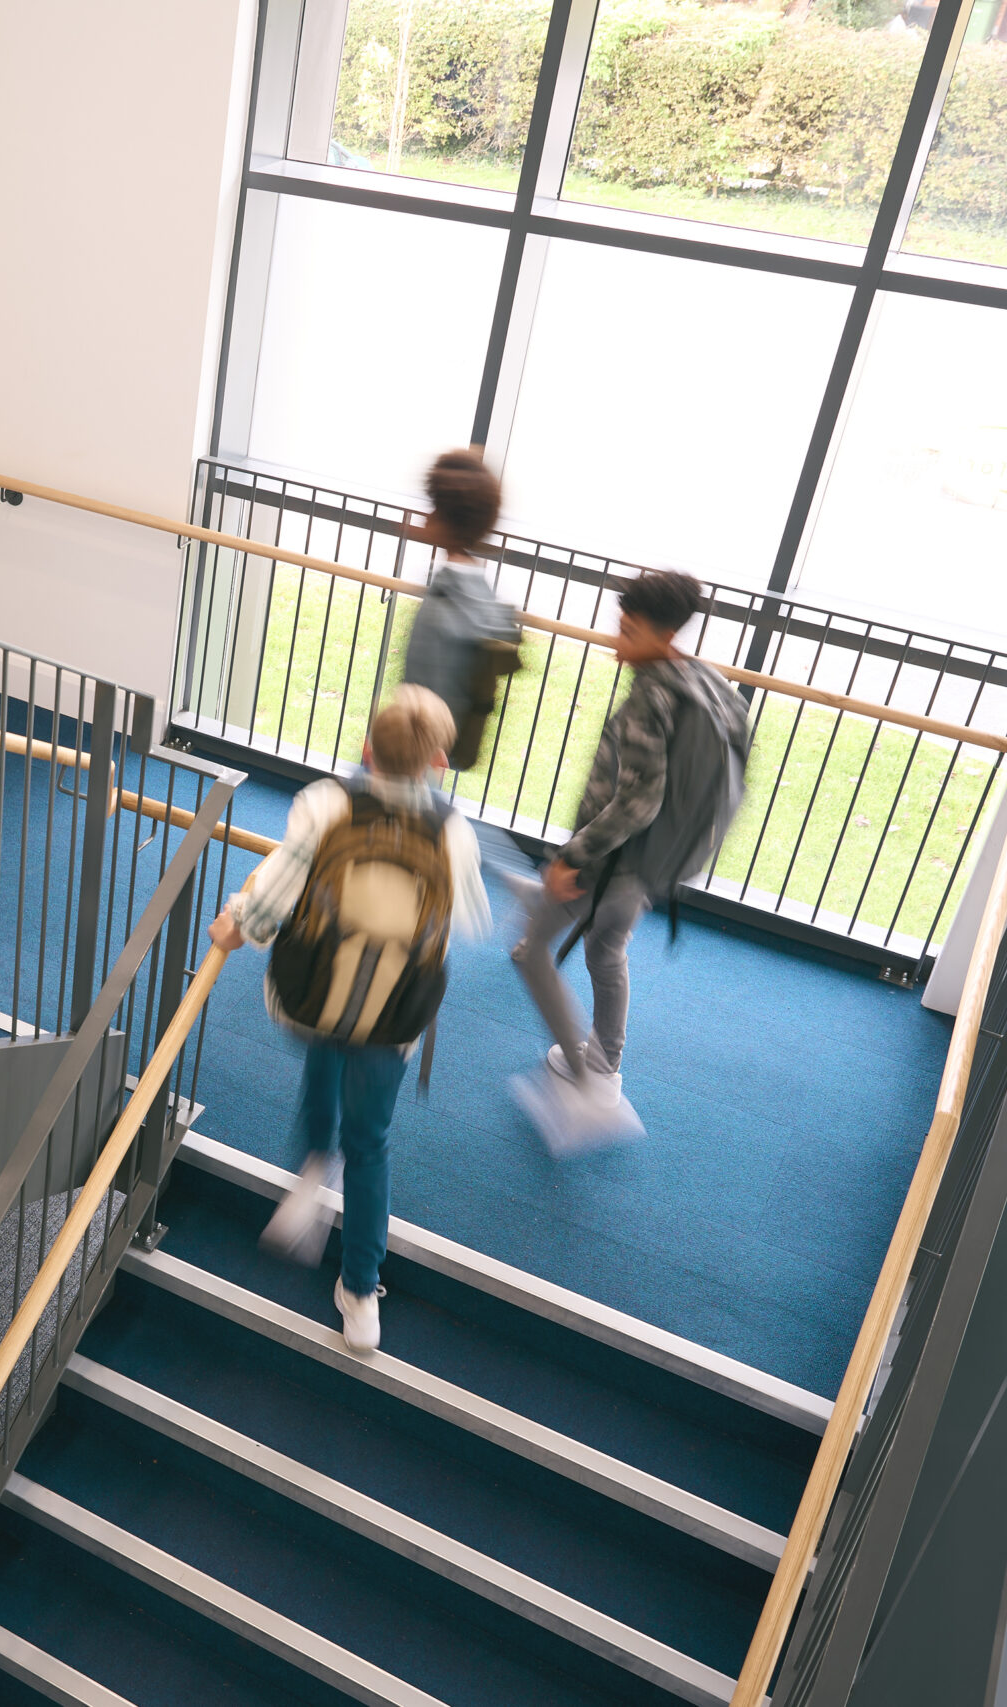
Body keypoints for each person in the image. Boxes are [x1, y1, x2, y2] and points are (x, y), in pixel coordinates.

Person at [208, 687, 488, 1353]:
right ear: (439, 762)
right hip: (391, 1016)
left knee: (323, 1056)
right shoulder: (453, 833)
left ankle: (311, 1165)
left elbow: (276, 889)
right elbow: (464, 921)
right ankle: (360, 1291)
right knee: (373, 1141)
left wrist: (237, 925)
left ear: (366, 749)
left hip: (315, 994)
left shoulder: (326, 804)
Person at [507, 567, 742, 1154]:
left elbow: (637, 800)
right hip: (650, 867)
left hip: (607, 862)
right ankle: (605, 1066)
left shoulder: (650, 698)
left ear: (659, 636)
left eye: (627, 631)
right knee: (606, 947)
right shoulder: (706, 684)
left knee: (530, 952)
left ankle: (588, 1094)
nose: (616, 644)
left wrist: (571, 857)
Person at [399, 449, 521, 772]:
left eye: (433, 508)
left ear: (443, 518)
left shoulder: (444, 606)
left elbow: (422, 699)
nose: (425, 518)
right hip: (438, 754)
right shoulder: (482, 599)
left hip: (413, 756)